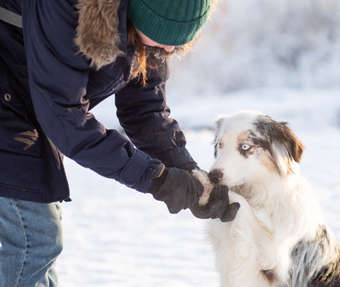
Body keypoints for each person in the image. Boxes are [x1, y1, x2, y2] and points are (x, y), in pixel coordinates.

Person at [0, 0, 240, 286]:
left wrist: (188, 173)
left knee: (37, 241)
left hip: (25, 102)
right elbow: (67, 119)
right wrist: (157, 179)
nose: (168, 51)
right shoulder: (66, 5)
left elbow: (144, 110)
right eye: (164, 40)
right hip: (8, 96)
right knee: (35, 237)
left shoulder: (145, 30)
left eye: (178, 45)